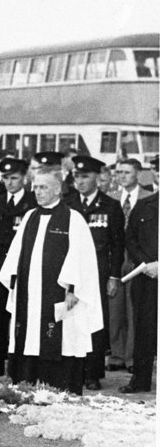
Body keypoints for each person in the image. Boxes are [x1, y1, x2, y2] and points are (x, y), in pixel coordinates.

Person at [0, 167, 102, 394]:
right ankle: (25, 384)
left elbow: (81, 257)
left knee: (59, 337)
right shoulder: (29, 216)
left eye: (43, 187)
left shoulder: (73, 219)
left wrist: (73, 289)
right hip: (28, 292)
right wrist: (14, 283)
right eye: (35, 187)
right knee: (28, 336)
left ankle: (59, 387)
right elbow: (16, 254)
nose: (37, 192)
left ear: (57, 190)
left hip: (59, 293)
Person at [68, 155, 124, 390]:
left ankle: (93, 373)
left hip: (98, 272)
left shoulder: (110, 206)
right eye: (77, 177)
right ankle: (74, 370)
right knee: (72, 321)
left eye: (85, 176)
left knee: (95, 323)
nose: (80, 181)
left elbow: (117, 245)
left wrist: (114, 276)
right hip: (72, 271)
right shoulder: (68, 203)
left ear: (97, 178)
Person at [0, 157, 37, 376]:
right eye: (5, 178)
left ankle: (19, 362)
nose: (9, 183)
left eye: (14, 178)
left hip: (23, 262)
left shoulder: (32, 204)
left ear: (24, 178)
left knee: (22, 313)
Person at [107, 158, 152, 372]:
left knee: (134, 307)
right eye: (119, 172)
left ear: (138, 174)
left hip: (138, 258)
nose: (121, 176)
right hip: (117, 257)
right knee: (115, 307)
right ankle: (117, 354)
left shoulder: (149, 198)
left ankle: (133, 356)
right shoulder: (110, 198)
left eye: (126, 172)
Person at [120, 190, 158, 393]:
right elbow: (130, 239)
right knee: (144, 329)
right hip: (146, 277)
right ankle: (140, 380)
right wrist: (147, 264)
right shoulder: (144, 205)